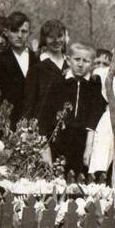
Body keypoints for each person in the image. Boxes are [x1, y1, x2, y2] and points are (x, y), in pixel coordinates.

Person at [35, 42, 106, 176]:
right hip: (59, 140)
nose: (80, 64)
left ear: (92, 64)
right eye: (77, 59)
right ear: (68, 60)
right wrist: (45, 148)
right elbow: (44, 115)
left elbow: (94, 117)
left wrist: (89, 147)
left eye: (86, 61)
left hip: (83, 142)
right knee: (57, 177)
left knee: (79, 179)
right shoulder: (59, 83)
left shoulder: (94, 85)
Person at [0, 11, 37, 127]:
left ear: (29, 33)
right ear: (6, 32)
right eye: (14, 30)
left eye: (24, 31)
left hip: (33, 128)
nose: (19, 35)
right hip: (7, 127)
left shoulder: (37, 60)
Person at [22, 19, 68, 120]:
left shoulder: (71, 65)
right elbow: (29, 105)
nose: (56, 41)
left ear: (65, 37)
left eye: (60, 36)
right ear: (44, 39)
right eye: (51, 37)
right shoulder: (36, 68)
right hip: (43, 127)